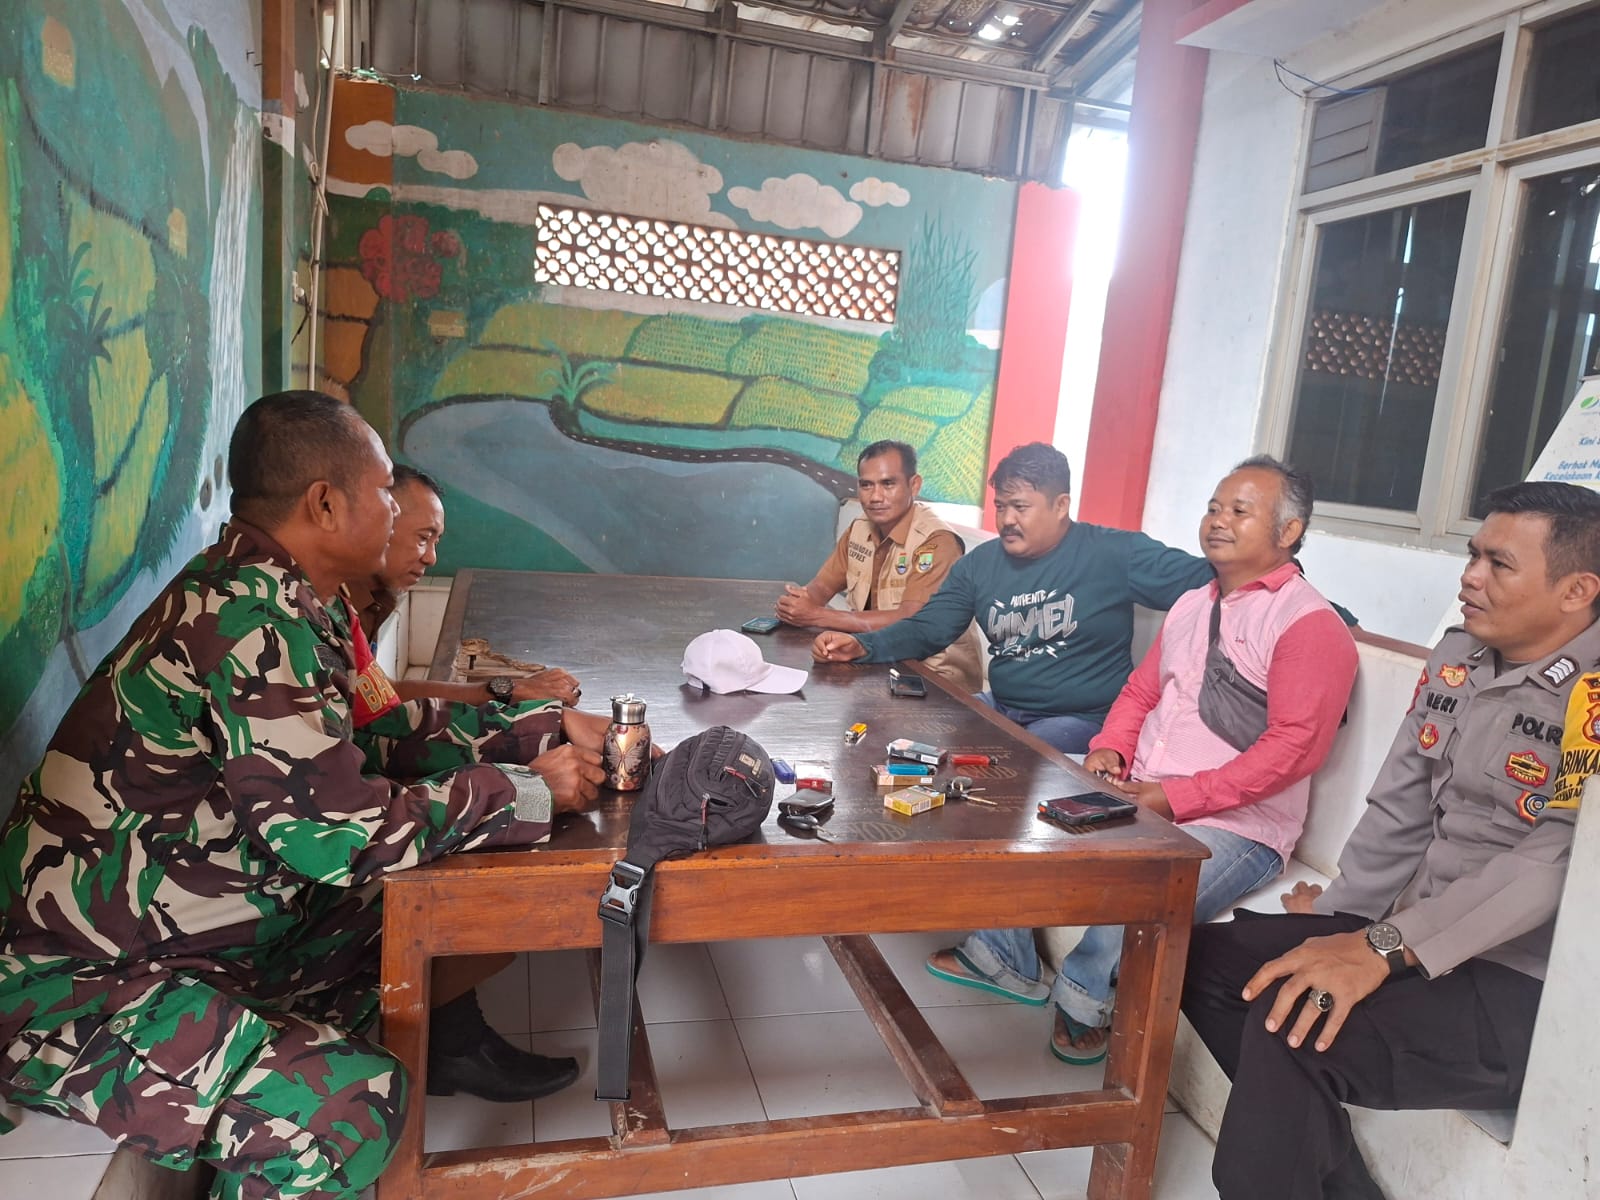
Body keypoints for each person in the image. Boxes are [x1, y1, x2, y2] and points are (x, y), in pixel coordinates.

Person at [0, 391, 608, 1200]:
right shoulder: (250, 620)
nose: (396, 511)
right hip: (83, 984)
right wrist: (525, 791)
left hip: (189, 938)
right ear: (325, 504)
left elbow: (377, 737)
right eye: (385, 490)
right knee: (353, 1110)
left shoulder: (282, 600)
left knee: (433, 910)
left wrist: (541, 729)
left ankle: (354, 1083)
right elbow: (339, 837)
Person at [1181, 480, 1600, 1200]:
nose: (1469, 577)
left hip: (1525, 980)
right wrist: (1338, 921)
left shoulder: (1591, 693)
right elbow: (1400, 808)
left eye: (1498, 564)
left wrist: (1379, 948)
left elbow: (1553, 861)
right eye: (1472, 555)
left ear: (1576, 590)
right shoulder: (1460, 656)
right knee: (1203, 962)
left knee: (1292, 1026)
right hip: (1411, 936)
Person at [926, 458, 1358, 1064]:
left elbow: (1294, 751)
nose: (1218, 521)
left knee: (1143, 886)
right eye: (1213, 508)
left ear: (1289, 532)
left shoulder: (1308, 624)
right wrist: (1110, 749)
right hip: (1142, 790)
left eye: (1239, 511)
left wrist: (1175, 798)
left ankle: (1085, 1000)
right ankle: (1005, 958)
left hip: (1238, 825)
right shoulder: (1193, 604)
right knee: (1006, 801)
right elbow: (1140, 692)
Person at [812, 442, 1220, 753]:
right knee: (914, 742)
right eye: (1001, 506)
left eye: (1021, 507)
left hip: (1082, 719)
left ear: (1061, 506)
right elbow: (927, 629)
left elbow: (1211, 577)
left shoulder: (1115, 553)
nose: (1007, 519)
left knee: (1003, 755)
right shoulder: (981, 564)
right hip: (1002, 705)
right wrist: (862, 647)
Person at [345, 464, 583, 709]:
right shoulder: (332, 603)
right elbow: (378, 702)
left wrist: (512, 688)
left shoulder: (375, 599)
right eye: (423, 538)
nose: (431, 558)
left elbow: (380, 693)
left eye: (435, 542)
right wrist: (509, 690)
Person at [774, 441, 984, 691]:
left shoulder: (936, 541)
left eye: (888, 484)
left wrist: (816, 615)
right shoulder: (859, 528)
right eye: (866, 485)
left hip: (934, 679)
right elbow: (821, 587)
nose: (875, 497)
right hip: (874, 660)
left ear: (914, 485)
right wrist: (798, 604)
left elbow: (910, 620)